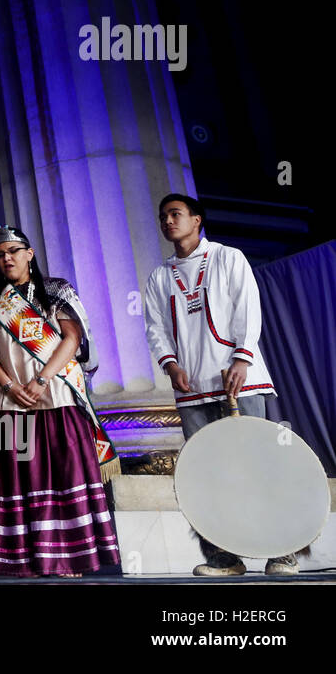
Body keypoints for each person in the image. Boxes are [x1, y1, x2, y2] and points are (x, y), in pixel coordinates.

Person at [141, 193, 295, 576]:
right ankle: (224, 559)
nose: (168, 221)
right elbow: (155, 328)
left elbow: (248, 308)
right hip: (191, 389)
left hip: (239, 380)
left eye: (176, 214)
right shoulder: (160, 276)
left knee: (258, 464)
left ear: (197, 220)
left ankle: (283, 551)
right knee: (206, 474)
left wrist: (243, 358)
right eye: (163, 216)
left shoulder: (228, 257)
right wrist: (170, 364)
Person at [0, 225, 120, 577]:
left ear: (29, 253)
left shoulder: (56, 290)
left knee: (62, 474)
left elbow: (72, 338)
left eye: (13, 251)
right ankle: (23, 559)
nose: (6, 258)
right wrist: (10, 386)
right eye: (0, 254)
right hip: (9, 403)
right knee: (18, 477)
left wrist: (41, 379)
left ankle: (69, 558)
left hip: (56, 394)